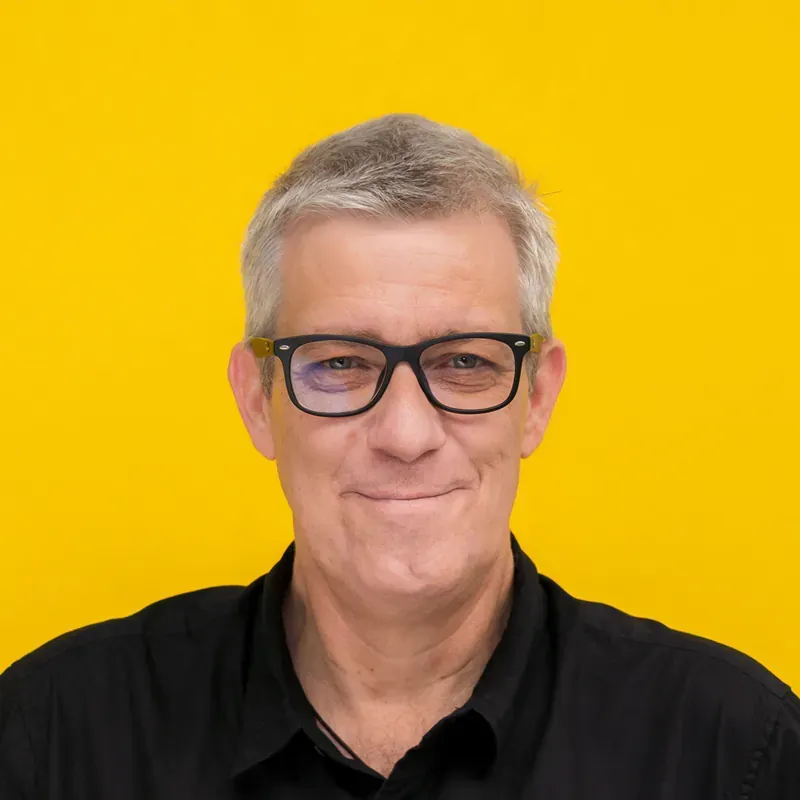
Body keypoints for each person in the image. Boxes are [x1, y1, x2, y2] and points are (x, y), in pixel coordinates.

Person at [1, 113, 797, 799]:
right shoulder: (55, 735)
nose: (406, 435)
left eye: (466, 362)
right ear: (256, 399)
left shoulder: (733, 753)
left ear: (537, 397)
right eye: (342, 363)